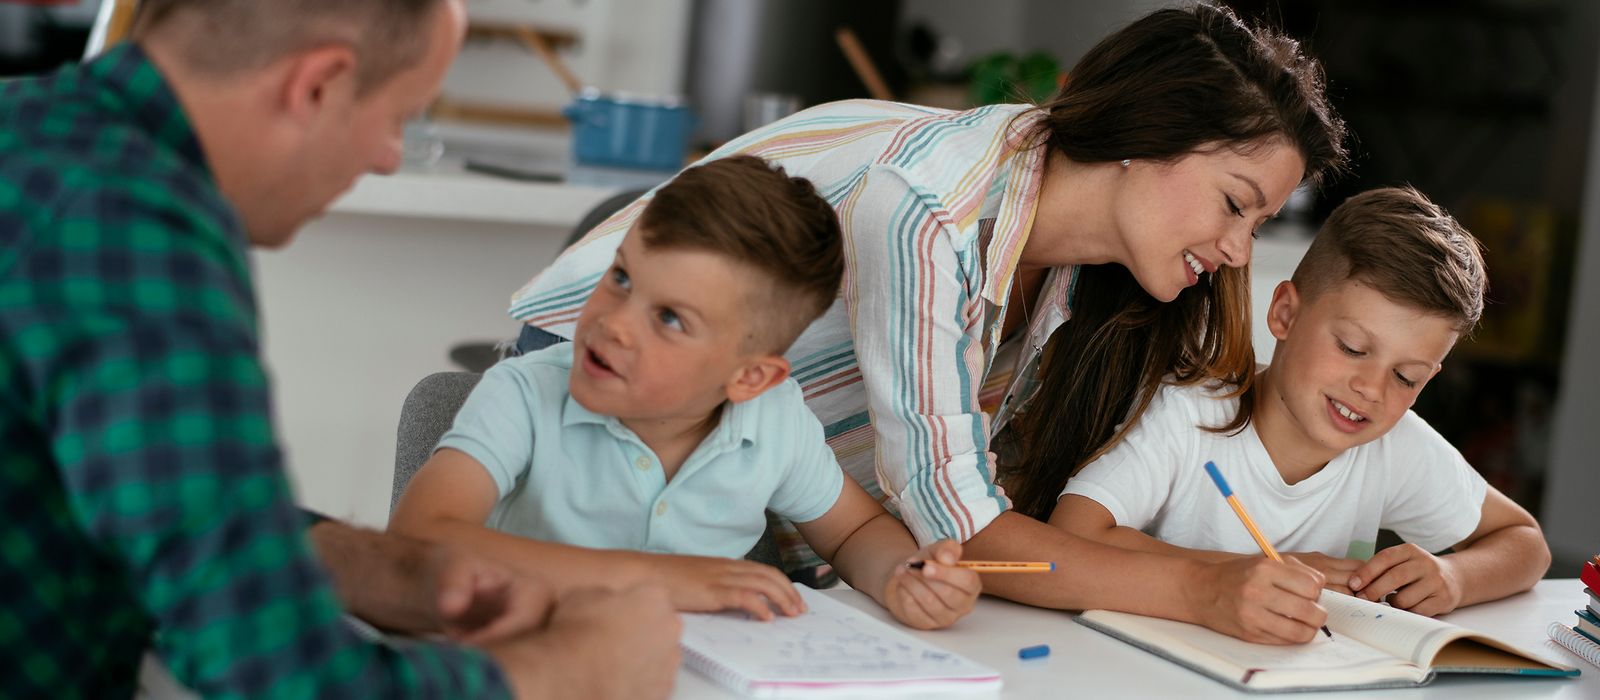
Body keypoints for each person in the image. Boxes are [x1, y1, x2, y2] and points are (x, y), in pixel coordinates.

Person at [506, 4, 1348, 643]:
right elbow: (967, 529)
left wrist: (1233, 573)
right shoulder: (933, 209)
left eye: (1259, 224)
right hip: (618, 407)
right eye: (1235, 205)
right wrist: (1203, 591)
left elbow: (965, 519)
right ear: (1148, 132)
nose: (1240, 251)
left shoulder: (1080, 277)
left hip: (777, 485)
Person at [0, 0, 679, 697]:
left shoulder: (33, 131)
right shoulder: (134, 235)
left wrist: (364, 564)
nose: (388, 157)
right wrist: (574, 668)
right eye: (397, 118)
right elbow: (285, 680)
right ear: (318, 85)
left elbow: (148, 503)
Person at [392, 156, 982, 630]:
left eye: (670, 318)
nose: (615, 323)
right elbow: (419, 539)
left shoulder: (773, 420)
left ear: (750, 378)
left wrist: (901, 576)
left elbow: (854, 533)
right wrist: (649, 578)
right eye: (621, 277)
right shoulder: (524, 394)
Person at [1052, 187, 1550, 617]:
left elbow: (1526, 543)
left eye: (1406, 376)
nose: (1372, 390)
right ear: (1285, 313)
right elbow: (1072, 534)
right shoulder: (1188, 414)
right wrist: (1252, 572)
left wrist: (1454, 576)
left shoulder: (1393, 448)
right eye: (1352, 349)